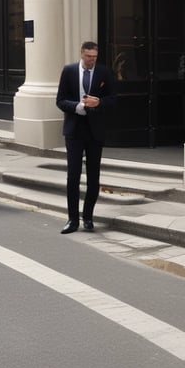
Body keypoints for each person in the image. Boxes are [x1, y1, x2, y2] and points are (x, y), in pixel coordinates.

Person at [56, 41, 117, 234]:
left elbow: (114, 99)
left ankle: (88, 217)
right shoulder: (69, 71)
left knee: (93, 177)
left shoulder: (103, 73)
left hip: (95, 131)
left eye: (94, 57)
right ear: (82, 54)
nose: (92, 60)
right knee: (73, 176)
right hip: (74, 130)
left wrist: (98, 102)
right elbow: (60, 100)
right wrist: (77, 106)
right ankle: (72, 219)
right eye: (89, 56)